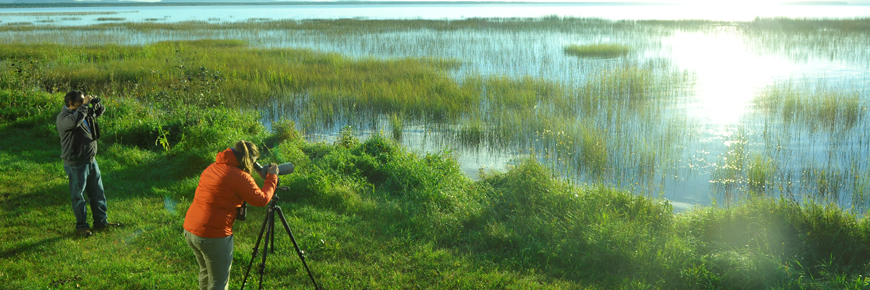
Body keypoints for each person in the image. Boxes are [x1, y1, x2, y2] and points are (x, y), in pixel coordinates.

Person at [183, 140, 279, 290]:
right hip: (213, 235)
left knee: (206, 274)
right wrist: (272, 178)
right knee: (218, 283)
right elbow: (261, 200)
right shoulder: (239, 176)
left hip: (190, 230)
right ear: (249, 161)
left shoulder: (213, 167)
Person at [56, 90, 121, 237]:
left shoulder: (83, 111)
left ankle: (101, 222)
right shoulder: (64, 117)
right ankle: (82, 226)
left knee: (98, 192)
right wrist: (85, 106)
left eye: (84, 99)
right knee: (78, 196)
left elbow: (98, 112)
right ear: (71, 104)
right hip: (76, 163)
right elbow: (76, 121)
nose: (84, 102)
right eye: (81, 100)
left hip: (91, 160)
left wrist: (96, 105)